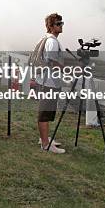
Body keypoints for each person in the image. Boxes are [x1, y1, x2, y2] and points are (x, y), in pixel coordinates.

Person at [36, 13, 66, 154]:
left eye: (61, 23)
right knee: (44, 113)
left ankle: (44, 138)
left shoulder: (47, 39)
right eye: (58, 24)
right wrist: (68, 71)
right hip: (49, 81)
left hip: (46, 80)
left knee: (46, 112)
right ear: (51, 26)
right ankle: (45, 144)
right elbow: (52, 62)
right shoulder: (52, 41)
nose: (61, 26)